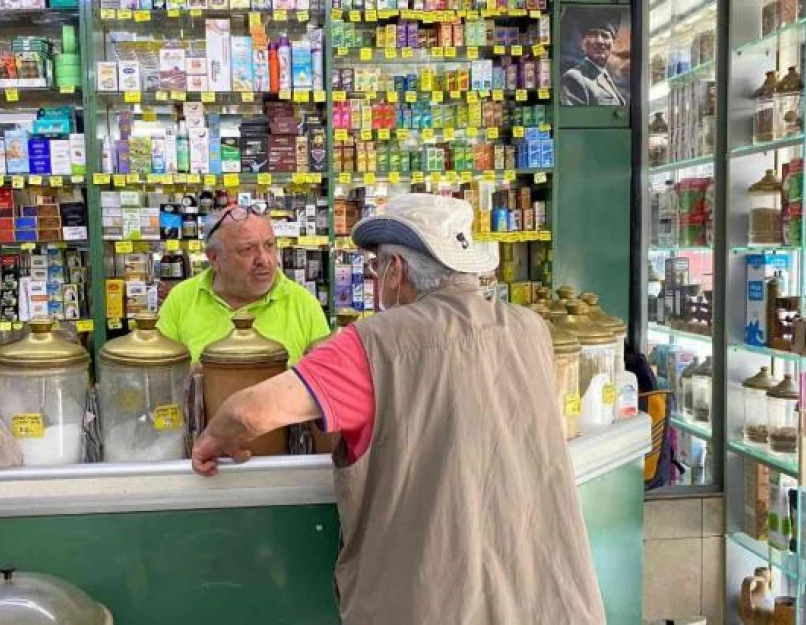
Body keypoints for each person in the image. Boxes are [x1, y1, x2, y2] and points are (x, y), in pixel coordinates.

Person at [191, 194, 605, 624]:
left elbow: (249, 413)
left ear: (397, 271)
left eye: (376, 267)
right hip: (545, 596)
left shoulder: (374, 343)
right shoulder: (531, 328)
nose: (374, 278)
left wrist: (211, 440)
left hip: (435, 602)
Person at [156, 203, 330, 364]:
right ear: (215, 258)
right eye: (248, 249)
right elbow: (161, 374)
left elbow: (326, 383)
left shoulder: (303, 304)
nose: (265, 260)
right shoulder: (181, 299)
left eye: (269, 246)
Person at [561, 10, 627, 106]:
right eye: (593, 34)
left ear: (613, 44)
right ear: (582, 43)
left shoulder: (605, 75)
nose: (600, 41)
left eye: (605, 36)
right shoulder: (574, 77)